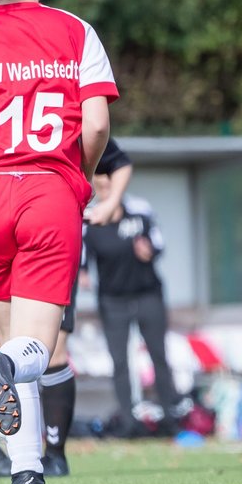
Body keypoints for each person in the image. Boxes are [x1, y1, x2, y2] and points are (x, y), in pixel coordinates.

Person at [0, 0, 116, 484]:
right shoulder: (75, 30)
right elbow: (99, 122)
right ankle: (5, 378)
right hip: (46, 190)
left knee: (8, 334)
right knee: (36, 346)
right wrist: (81, 174)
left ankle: (26, 474)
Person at [0, 137, 133, 479]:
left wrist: (102, 198)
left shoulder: (63, 106)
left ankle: (53, 453)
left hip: (50, 235)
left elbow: (112, 151)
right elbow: (98, 120)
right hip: (13, 229)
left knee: (48, 350)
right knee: (6, 345)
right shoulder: (0, 100)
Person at [81, 171, 188, 435]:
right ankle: (129, 423)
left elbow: (158, 243)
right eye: (100, 186)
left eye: (109, 185)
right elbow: (82, 257)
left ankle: (169, 419)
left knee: (158, 355)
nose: (105, 191)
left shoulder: (140, 210)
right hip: (112, 299)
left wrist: (149, 250)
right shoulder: (90, 218)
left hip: (147, 294)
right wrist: (82, 273)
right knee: (119, 361)